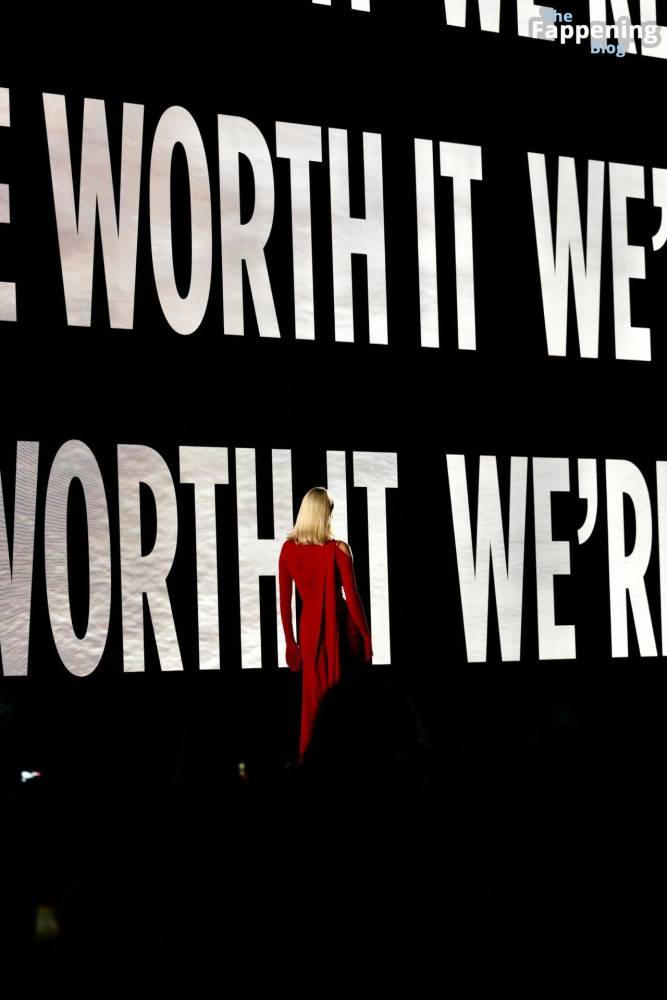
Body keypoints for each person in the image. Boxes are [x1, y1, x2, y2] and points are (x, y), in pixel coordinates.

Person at [278, 486, 373, 762]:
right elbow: (353, 600)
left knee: (313, 702)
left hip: (309, 631)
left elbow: (284, 603)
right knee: (341, 700)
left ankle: (311, 763)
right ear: (324, 514)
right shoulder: (339, 549)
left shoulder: (287, 550)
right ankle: (343, 760)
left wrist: (291, 643)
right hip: (338, 630)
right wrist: (367, 639)